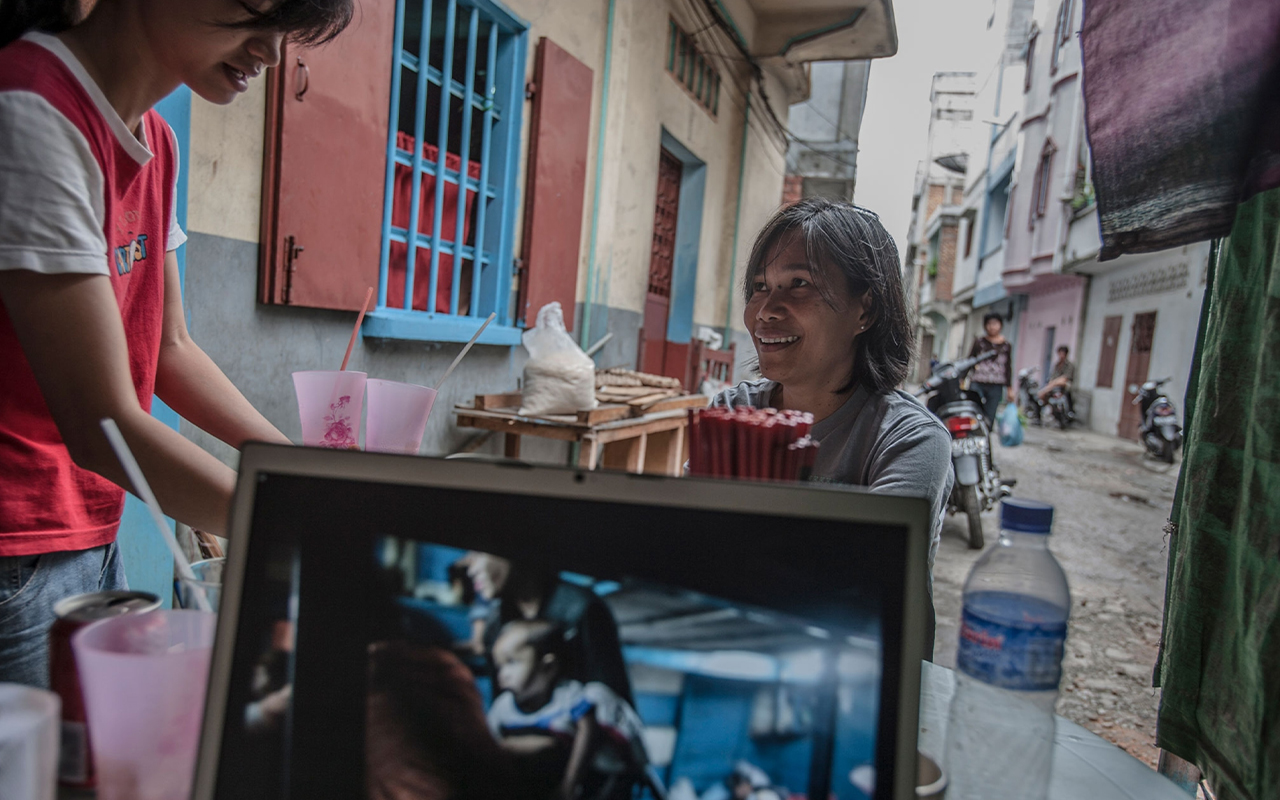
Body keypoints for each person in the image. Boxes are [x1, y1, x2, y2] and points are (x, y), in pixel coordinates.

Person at [0, 1, 351, 689]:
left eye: (286, 31)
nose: (272, 54)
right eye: (259, 16)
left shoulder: (155, 141)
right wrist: (288, 513)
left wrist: (305, 473)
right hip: (16, 541)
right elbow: (102, 424)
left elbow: (170, 351)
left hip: (90, 521)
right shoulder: (31, 108)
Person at [710, 198, 953, 589]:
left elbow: (862, 588)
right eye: (760, 287)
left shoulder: (908, 440)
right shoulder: (731, 414)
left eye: (800, 284)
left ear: (865, 310)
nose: (766, 310)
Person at [486, 619, 652, 800]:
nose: (503, 674)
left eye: (512, 662)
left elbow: (587, 731)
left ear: (548, 667)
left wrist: (569, 785)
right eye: (499, 666)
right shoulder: (502, 707)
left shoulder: (569, 697)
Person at [468, 552, 634, 704]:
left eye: (478, 554)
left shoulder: (581, 609)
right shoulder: (495, 625)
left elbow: (610, 705)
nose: (471, 570)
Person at [966, 313, 1016, 424]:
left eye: (995, 324)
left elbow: (1008, 367)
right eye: (989, 324)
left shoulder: (1006, 345)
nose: (992, 327)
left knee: (990, 415)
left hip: (996, 385)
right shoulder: (979, 342)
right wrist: (961, 378)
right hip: (978, 382)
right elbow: (970, 361)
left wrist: (1009, 389)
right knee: (972, 410)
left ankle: (986, 436)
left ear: (1000, 325)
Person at [1038, 345, 1077, 413]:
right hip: (1055, 385)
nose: (1061, 355)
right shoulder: (1057, 365)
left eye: (1063, 353)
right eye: (1060, 353)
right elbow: (1053, 376)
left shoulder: (1069, 365)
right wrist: (1053, 382)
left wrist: (1055, 382)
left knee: (1059, 383)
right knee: (1050, 387)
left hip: (1065, 385)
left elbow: (1066, 378)